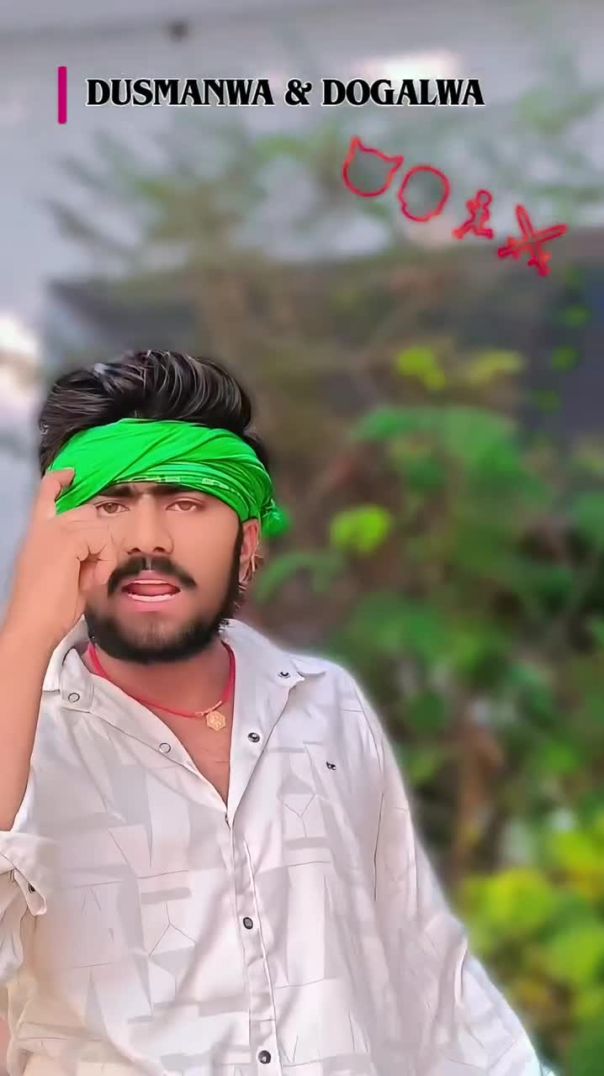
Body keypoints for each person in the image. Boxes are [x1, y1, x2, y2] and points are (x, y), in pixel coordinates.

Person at [0, 350, 553, 1076]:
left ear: (249, 544)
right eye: (110, 503)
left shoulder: (325, 705)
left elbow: (421, 962)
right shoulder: (24, 723)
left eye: (186, 502)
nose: (147, 539)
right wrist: (26, 636)